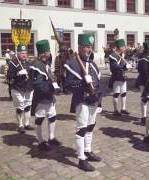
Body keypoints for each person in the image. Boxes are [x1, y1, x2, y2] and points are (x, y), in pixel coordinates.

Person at [65, 33, 102, 172]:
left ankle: (87, 151)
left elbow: (98, 85)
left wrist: (99, 102)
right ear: (79, 47)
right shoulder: (72, 63)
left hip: (93, 100)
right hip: (81, 100)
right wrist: (82, 82)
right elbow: (68, 85)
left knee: (91, 126)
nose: (89, 50)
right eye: (86, 47)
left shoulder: (92, 65)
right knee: (81, 129)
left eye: (90, 47)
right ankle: (81, 159)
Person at [30, 39, 61, 151]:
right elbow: (38, 84)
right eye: (48, 52)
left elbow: (50, 77)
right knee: (40, 119)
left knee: (52, 116)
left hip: (49, 96)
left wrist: (55, 82)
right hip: (41, 98)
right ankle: (40, 142)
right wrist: (50, 87)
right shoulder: (36, 65)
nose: (49, 54)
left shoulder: (45, 63)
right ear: (43, 53)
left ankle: (51, 138)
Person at [8, 44, 34, 134]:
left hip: (28, 88)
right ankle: (20, 125)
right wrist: (18, 73)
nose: (24, 55)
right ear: (18, 54)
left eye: (25, 53)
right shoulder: (13, 63)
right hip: (18, 88)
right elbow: (9, 77)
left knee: (27, 106)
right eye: (22, 53)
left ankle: (26, 124)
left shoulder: (28, 63)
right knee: (20, 106)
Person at [109, 39, 132, 116]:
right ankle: (115, 110)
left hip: (123, 76)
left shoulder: (122, 55)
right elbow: (114, 67)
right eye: (123, 46)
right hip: (116, 77)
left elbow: (123, 66)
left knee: (124, 93)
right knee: (116, 94)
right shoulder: (113, 56)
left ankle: (123, 109)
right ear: (119, 47)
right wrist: (125, 66)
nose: (125, 47)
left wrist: (127, 67)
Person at [136, 40, 149, 124]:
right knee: (144, 98)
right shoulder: (143, 57)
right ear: (147, 49)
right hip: (143, 80)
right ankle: (143, 117)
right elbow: (144, 70)